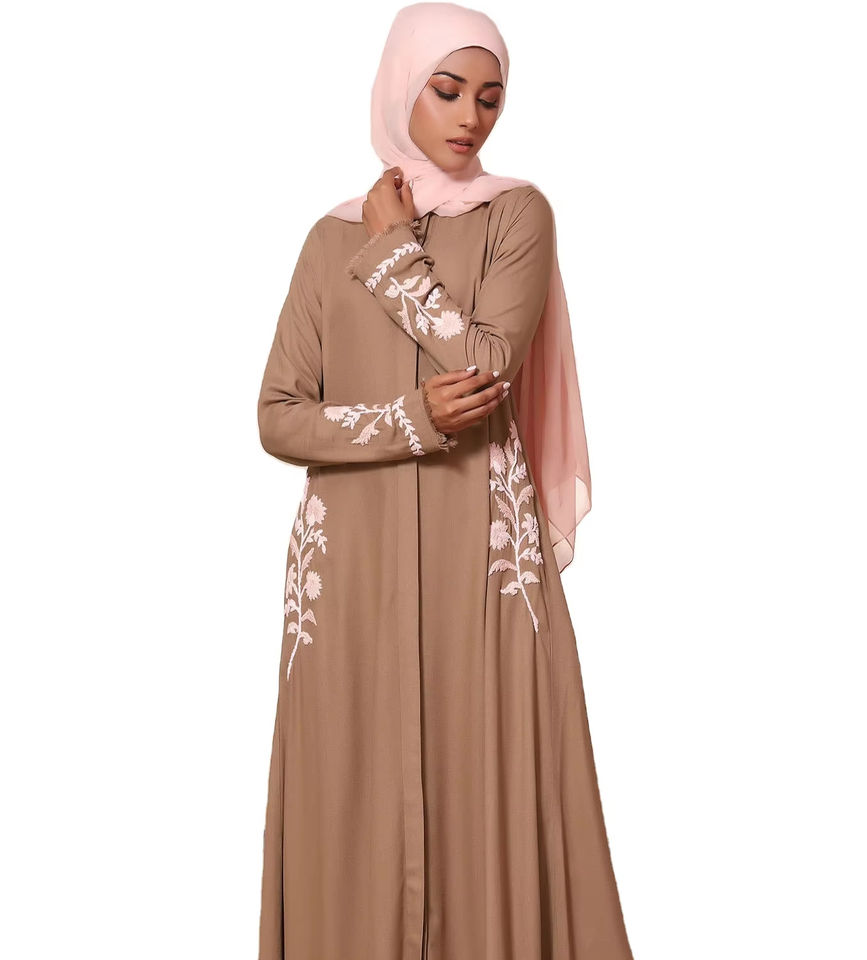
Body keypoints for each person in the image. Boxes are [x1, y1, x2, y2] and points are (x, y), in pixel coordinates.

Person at [255, 4, 635, 958]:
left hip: (484, 564)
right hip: (350, 571)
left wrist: (394, 255)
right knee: (351, 791)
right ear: (402, 88)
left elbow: (488, 364)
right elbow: (279, 415)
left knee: (485, 779)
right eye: (448, 90)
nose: (471, 117)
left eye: (490, 98)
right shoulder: (327, 240)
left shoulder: (517, 214)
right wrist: (411, 421)